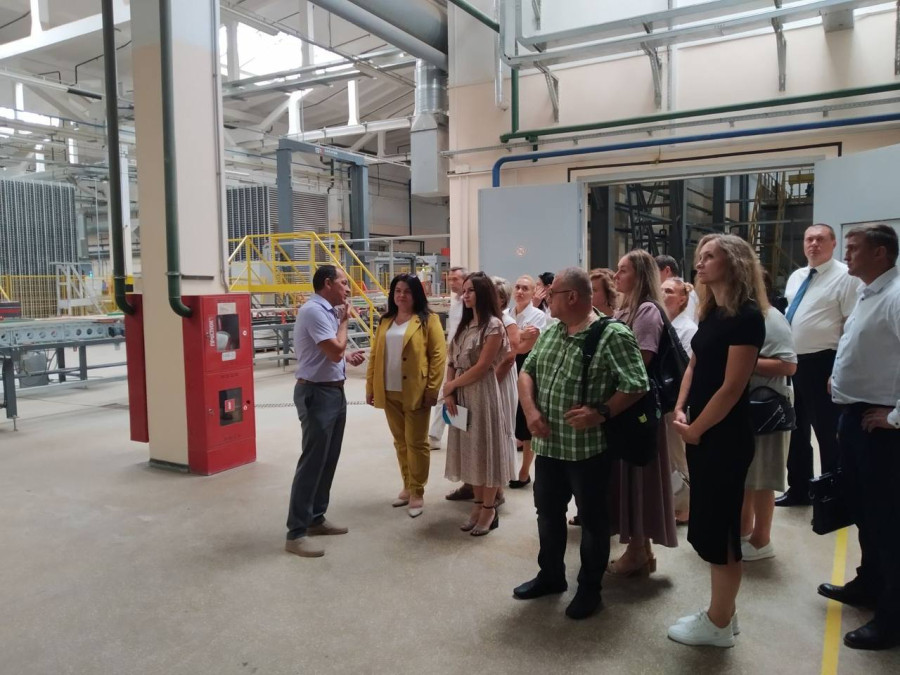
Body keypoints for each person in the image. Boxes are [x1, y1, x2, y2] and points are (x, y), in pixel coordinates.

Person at [513, 267, 648, 620]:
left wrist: (601, 412)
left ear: (572, 297)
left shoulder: (612, 335)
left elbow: (637, 383)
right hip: (549, 448)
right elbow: (527, 371)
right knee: (548, 514)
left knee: (592, 521)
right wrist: (530, 411)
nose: (546, 298)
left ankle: (590, 589)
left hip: (588, 452)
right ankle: (551, 576)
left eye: (551, 293)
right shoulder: (553, 330)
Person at [668, 234, 766, 648]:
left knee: (721, 532)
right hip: (703, 430)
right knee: (709, 526)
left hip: (723, 437)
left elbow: (731, 388)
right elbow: (694, 364)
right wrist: (681, 406)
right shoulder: (711, 312)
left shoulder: (746, 317)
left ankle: (719, 624)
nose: (700, 263)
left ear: (735, 263)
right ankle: (725, 612)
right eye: (700, 257)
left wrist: (696, 429)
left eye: (710, 256)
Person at [821, 224, 900, 651]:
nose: (846, 256)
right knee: (865, 514)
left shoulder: (897, 295)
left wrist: (896, 416)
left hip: (881, 428)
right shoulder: (870, 294)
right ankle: (869, 585)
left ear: (881, 253)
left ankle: (892, 619)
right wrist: (839, 380)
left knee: (888, 523)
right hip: (855, 418)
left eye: (853, 248)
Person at [285, 265, 366, 558]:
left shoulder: (327, 311)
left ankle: (315, 518)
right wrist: (344, 323)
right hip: (316, 394)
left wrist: (346, 356)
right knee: (312, 462)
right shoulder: (314, 311)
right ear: (328, 283)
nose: (348, 288)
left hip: (333, 391)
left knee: (328, 459)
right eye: (344, 283)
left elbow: (330, 352)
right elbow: (333, 351)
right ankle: (295, 533)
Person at [778, 224, 860, 507]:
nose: (814, 244)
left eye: (820, 239)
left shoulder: (845, 277)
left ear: (833, 243)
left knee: (827, 433)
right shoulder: (797, 276)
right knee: (795, 430)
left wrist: (838, 369)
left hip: (824, 362)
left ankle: (831, 495)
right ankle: (799, 489)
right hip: (792, 362)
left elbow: (850, 325)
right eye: (809, 239)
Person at [608, 249, 678, 576]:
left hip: (638, 409)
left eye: (623, 270)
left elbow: (641, 360)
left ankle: (637, 549)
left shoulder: (647, 310)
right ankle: (641, 550)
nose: (616, 275)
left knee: (638, 479)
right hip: (628, 407)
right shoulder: (627, 309)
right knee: (631, 478)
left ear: (639, 275)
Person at [366, 274, 446, 518]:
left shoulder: (428, 319)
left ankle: (418, 491)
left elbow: (438, 356)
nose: (401, 295)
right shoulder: (386, 320)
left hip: (416, 390)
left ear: (416, 295)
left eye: (407, 291)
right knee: (400, 442)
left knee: (417, 442)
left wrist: (432, 389)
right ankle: (407, 485)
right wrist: (370, 386)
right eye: (397, 291)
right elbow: (375, 355)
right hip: (388, 389)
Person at [443, 272, 514, 536]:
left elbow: (483, 366)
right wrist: (449, 392)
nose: (465, 295)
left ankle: (488, 508)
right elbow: (452, 361)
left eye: (470, 290)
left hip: (482, 393)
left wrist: (452, 385)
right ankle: (476, 503)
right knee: (470, 451)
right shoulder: (464, 325)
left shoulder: (493, 326)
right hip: (460, 393)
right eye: (464, 291)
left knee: (485, 450)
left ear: (482, 293)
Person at [740, 296, 796, 561]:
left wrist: (743, 360)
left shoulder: (771, 318)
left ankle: (762, 539)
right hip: (744, 405)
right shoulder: (739, 314)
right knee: (747, 474)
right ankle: (744, 530)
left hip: (765, 406)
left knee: (763, 476)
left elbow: (788, 365)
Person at [661, 276, 698, 525]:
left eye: (670, 292)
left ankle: (684, 506)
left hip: (677, 399)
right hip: (664, 396)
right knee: (667, 452)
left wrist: (679, 405)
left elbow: (686, 369)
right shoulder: (664, 323)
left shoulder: (688, 329)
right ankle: (672, 500)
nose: (664, 295)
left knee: (677, 453)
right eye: (662, 290)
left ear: (683, 298)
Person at [509, 275, 549, 488]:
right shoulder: (507, 314)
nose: (520, 291)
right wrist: (521, 334)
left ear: (534, 292)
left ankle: (524, 472)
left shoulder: (538, 316)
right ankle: (507, 468)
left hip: (527, 369)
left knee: (525, 425)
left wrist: (514, 337)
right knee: (508, 420)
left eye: (525, 288)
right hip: (507, 367)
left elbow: (525, 347)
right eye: (517, 287)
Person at [430, 266, 467, 456]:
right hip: (452, 355)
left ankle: (439, 436)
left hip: (463, 357)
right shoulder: (456, 303)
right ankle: (435, 436)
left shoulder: (468, 304)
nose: (451, 283)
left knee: (450, 395)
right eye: (449, 279)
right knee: (445, 394)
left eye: (455, 279)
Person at [493, 277, 520, 483]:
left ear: (502, 299)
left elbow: (510, 357)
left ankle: (502, 478)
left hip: (500, 379)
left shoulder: (507, 321)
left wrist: (492, 382)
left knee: (503, 427)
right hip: (488, 377)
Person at [662, 277, 698, 356]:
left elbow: (687, 361)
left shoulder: (689, 330)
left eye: (668, 291)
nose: (662, 294)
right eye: (660, 290)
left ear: (682, 300)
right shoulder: (658, 324)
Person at [657, 254, 697, 319]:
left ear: (667, 270)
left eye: (655, 272)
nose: (653, 277)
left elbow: (689, 319)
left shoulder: (687, 291)